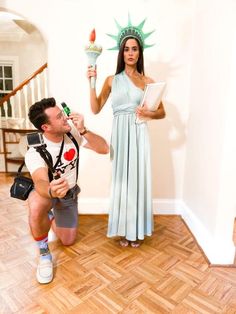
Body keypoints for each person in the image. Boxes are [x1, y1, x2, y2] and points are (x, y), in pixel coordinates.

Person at [87, 18, 166, 248]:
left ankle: (136, 230)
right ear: (121, 53)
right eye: (127, 49)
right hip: (121, 134)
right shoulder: (112, 80)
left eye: (134, 49)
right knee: (122, 181)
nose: (130, 53)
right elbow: (95, 108)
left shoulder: (147, 81)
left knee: (137, 180)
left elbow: (162, 112)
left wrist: (148, 114)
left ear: (140, 53)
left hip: (139, 133)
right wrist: (91, 82)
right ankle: (123, 229)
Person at [25, 97, 109, 284]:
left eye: (62, 113)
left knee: (68, 240)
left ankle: (50, 218)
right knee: (38, 204)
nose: (65, 118)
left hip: (68, 194)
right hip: (47, 193)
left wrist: (83, 130)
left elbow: (104, 148)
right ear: (46, 127)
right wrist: (51, 191)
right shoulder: (35, 150)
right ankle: (44, 253)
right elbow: (39, 181)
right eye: (58, 117)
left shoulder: (72, 134)